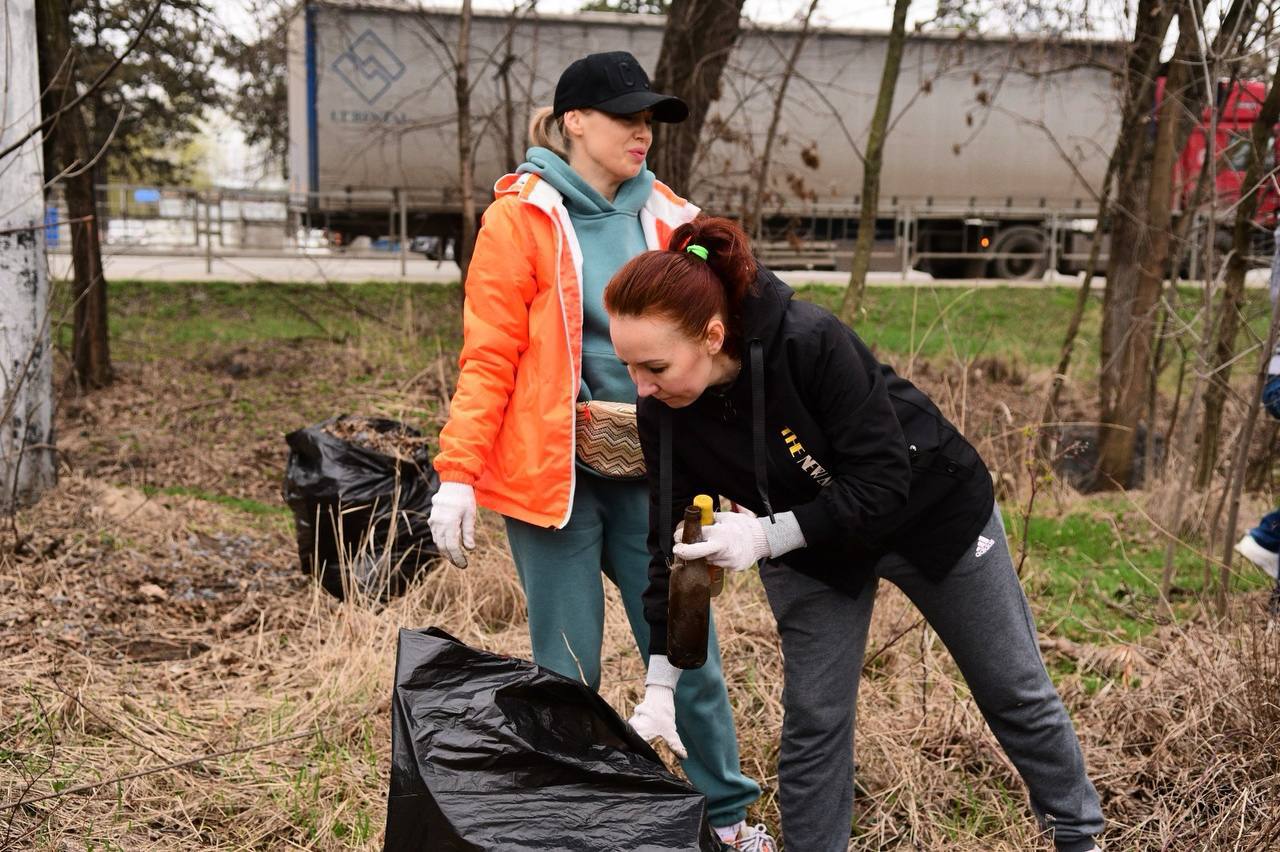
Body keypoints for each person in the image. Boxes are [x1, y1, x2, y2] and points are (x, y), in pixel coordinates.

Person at [604, 215, 1106, 852]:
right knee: (815, 718)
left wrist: (761, 538)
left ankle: (1079, 838)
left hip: (931, 516)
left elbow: (882, 483)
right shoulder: (663, 411)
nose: (639, 389)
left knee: (1012, 688)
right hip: (811, 546)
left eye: (653, 366)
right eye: (629, 367)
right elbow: (672, 546)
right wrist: (660, 682)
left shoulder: (809, 341)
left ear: (711, 334)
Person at [425, 52, 771, 849]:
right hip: (555, 481)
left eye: (650, 119)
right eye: (626, 116)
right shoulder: (521, 218)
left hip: (659, 472)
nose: (642, 132)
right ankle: (572, 820)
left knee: (688, 651)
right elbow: (491, 357)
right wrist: (458, 473)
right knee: (567, 666)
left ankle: (726, 819)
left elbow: (723, 344)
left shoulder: (672, 221)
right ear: (574, 121)